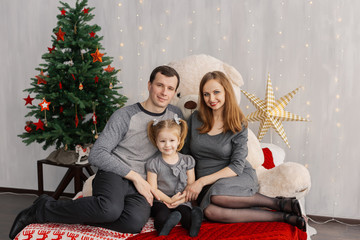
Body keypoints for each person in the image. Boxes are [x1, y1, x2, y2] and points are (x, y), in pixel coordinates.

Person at [9, 65, 184, 239]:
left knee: (133, 224)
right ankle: (43, 209)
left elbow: (181, 150)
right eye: (160, 85)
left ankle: (61, 210)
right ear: (149, 85)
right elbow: (97, 154)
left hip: (143, 184)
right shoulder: (125, 115)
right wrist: (135, 177)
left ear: (175, 92)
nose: (164, 92)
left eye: (170, 88)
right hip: (115, 173)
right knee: (109, 210)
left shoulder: (176, 115)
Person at [182, 71, 307, 232]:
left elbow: (236, 166)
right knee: (211, 212)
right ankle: (283, 215)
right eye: (206, 94)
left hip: (236, 175)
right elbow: (185, 155)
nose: (211, 99)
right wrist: (191, 183)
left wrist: (201, 182)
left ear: (226, 92)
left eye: (216, 92)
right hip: (207, 182)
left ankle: (278, 203)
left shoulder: (238, 123)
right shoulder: (195, 119)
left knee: (217, 195)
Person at [146, 115, 203, 236]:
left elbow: (190, 185)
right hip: (161, 201)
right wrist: (169, 200)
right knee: (162, 215)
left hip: (182, 199)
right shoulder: (153, 163)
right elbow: (153, 188)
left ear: (179, 140)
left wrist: (180, 200)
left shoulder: (187, 161)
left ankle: (193, 225)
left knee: (185, 213)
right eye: (162, 141)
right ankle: (164, 227)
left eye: (171, 140)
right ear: (156, 141)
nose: (167, 145)